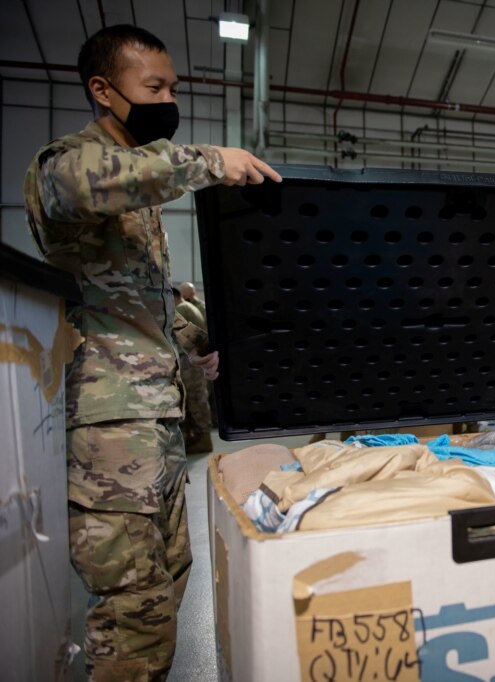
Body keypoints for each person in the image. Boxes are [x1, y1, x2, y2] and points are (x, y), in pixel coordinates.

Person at [23, 25, 280, 680]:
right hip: (112, 431)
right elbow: (86, 185)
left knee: (165, 587)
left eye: (172, 86)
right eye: (154, 87)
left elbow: (144, 305)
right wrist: (209, 162)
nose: (168, 98)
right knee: (132, 605)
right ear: (103, 91)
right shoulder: (69, 165)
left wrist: (196, 345)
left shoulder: (140, 202)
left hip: (159, 425)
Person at [173, 286, 213, 454]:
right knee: (197, 399)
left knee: (194, 401)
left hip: (189, 362)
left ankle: (202, 440)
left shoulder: (181, 309)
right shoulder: (190, 307)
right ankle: (199, 438)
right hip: (195, 360)